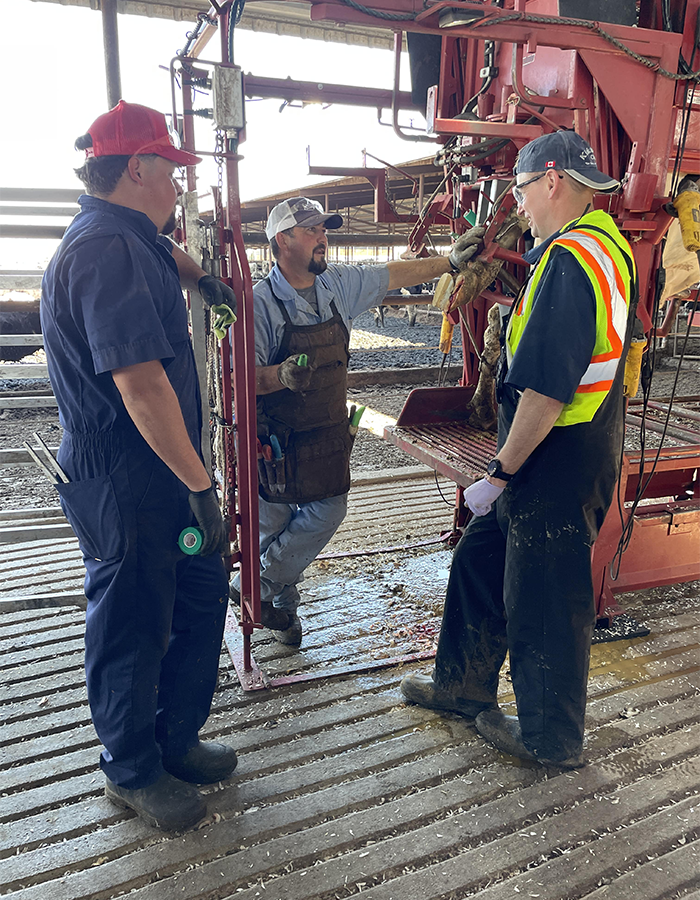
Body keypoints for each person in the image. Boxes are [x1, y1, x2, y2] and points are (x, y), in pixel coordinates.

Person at [400, 131, 636, 769]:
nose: (521, 204)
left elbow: (544, 391)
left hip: (553, 458)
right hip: (574, 448)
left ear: (552, 181)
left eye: (523, 191)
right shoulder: (608, 247)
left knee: (544, 598)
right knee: (480, 557)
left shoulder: (567, 262)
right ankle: (461, 684)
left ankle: (549, 738)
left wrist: (502, 471)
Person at [41, 100, 240, 831]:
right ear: (136, 169)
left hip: (164, 479)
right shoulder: (105, 252)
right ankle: (130, 767)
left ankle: (174, 738)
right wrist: (202, 485)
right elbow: (140, 383)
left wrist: (203, 281)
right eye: (172, 170)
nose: (180, 187)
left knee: (194, 594)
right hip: (129, 482)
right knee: (133, 617)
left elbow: (171, 253)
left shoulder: (135, 236)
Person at [230, 196, 485, 645]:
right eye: (311, 231)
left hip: (326, 432)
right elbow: (238, 380)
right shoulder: (258, 305)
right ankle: (283, 614)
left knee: (328, 510)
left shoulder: (338, 286)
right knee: (273, 524)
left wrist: (446, 261)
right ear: (281, 241)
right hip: (276, 440)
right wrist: (279, 375)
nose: (323, 238)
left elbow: (391, 273)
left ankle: (260, 586)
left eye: (324, 230)